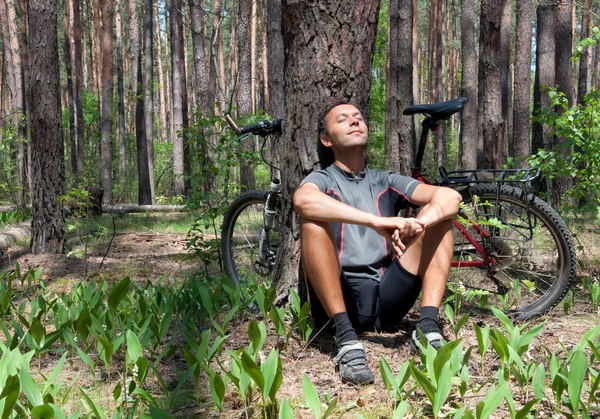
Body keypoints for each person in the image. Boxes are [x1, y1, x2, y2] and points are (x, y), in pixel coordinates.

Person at [293, 98, 462, 385]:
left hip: (387, 298)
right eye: (343, 119)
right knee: (312, 222)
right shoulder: (321, 179)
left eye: (358, 116)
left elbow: (450, 197)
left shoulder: (385, 179)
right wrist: (376, 221)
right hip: (338, 299)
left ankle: (428, 327)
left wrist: (418, 224)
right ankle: (346, 339)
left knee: (441, 220)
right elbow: (303, 200)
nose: (355, 120)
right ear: (326, 139)